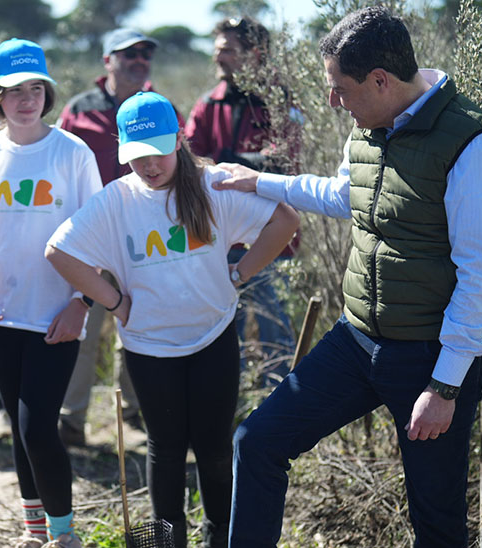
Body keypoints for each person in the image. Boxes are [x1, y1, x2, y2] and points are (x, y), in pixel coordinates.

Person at [220, 7, 482, 547]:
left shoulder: (475, 148)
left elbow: (480, 279)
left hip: (431, 358)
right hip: (356, 341)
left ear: (380, 80)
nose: (333, 102)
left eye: (340, 89)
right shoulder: (368, 126)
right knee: (258, 440)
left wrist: (445, 384)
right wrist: (260, 183)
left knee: (437, 523)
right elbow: (344, 196)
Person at [46, 91, 299, 548]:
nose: (148, 165)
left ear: (179, 140)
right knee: (164, 451)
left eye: (158, 152)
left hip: (214, 337)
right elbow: (59, 251)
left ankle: (218, 540)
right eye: (136, 155)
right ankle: (165, 544)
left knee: (216, 450)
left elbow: (285, 220)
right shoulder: (115, 200)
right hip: (149, 348)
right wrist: (113, 301)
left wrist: (240, 272)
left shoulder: (212, 185)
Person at [0, 38, 102, 548]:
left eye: (36, 88)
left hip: (57, 312)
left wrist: (82, 304)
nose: (27, 99)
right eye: (14, 90)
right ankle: (36, 533)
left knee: (39, 428)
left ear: (48, 93)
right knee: (18, 426)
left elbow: (95, 236)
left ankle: (65, 534)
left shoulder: (72, 152)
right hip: (0, 312)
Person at [56, 27, 182, 446]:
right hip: (91, 237)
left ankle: (134, 414)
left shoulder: (159, 108)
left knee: (138, 321)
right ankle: (71, 421)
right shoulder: (78, 109)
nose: (139, 60)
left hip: (143, 235)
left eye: (145, 53)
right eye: (128, 53)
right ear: (107, 60)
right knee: (85, 326)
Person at [185, 16, 301, 382]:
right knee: (220, 332)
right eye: (218, 51)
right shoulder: (208, 104)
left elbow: (286, 159)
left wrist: (227, 162)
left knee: (274, 331)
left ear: (256, 54)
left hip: (273, 238)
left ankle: (278, 415)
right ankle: (226, 411)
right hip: (217, 238)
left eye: (229, 51)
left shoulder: (279, 100)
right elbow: (190, 157)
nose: (219, 58)